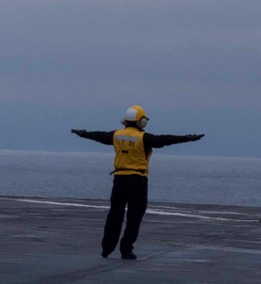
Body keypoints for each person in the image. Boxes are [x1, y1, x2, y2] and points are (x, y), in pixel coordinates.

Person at [72, 106, 204, 260]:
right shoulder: (144, 138)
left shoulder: (116, 135)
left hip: (119, 180)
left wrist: (83, 134)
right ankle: (126, 249)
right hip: (138, 181)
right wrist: (186, 138)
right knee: (134, 217)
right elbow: (165, 139)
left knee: (114, 215)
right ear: (140, 121)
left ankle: (106, 248)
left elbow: (98, 136)